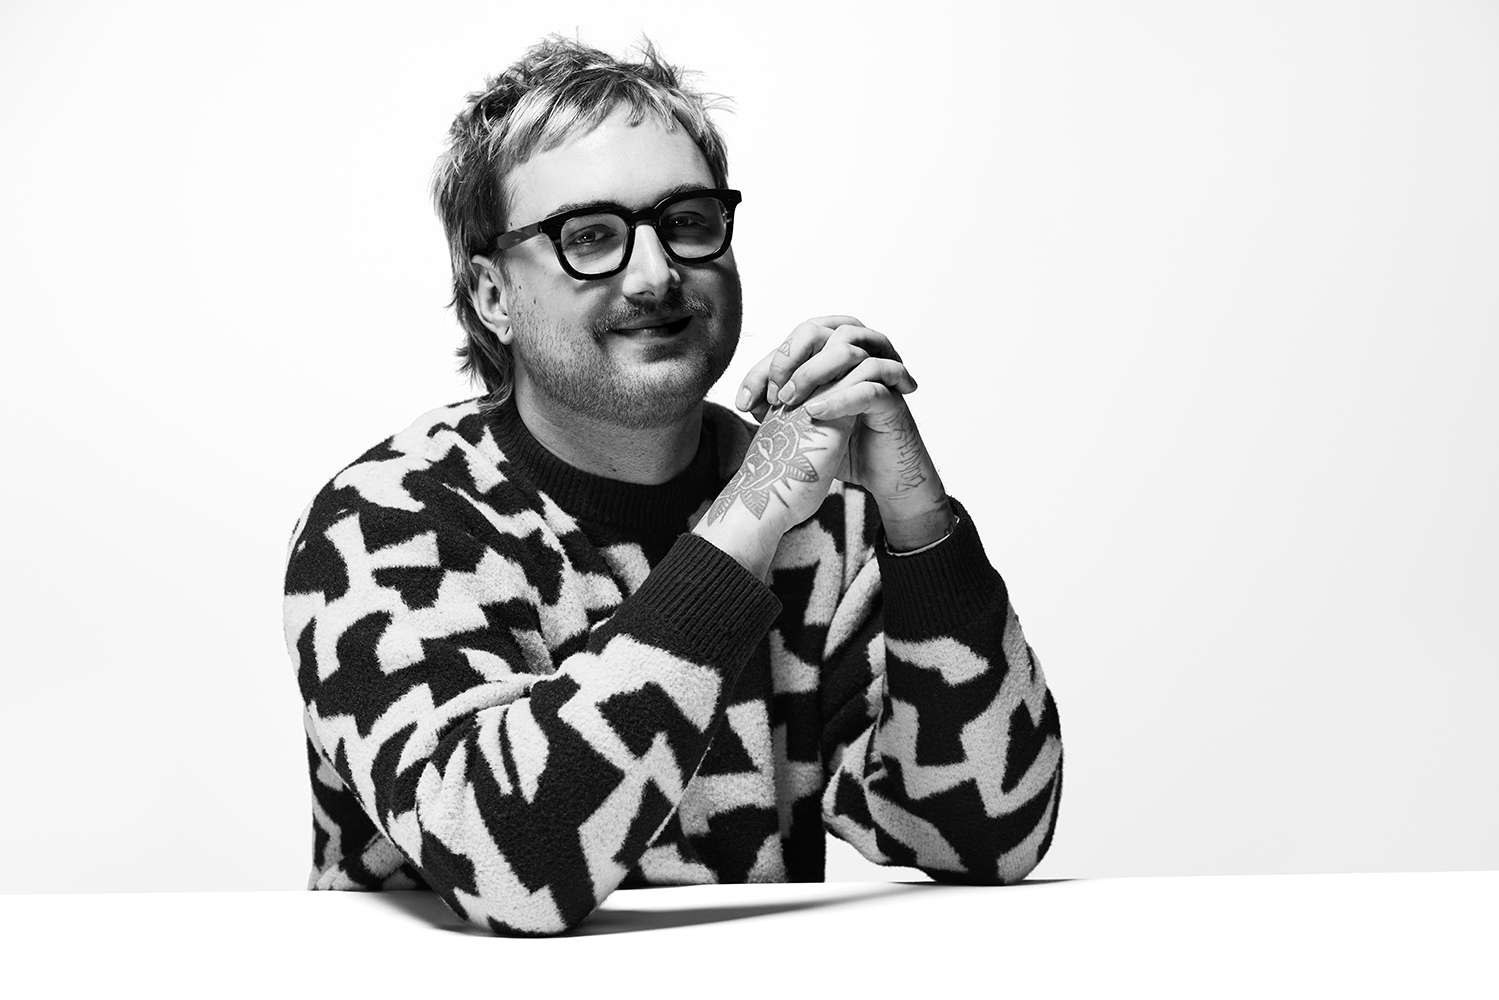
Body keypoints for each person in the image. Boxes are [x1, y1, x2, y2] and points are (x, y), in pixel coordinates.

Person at [282, 35, 1064, 936]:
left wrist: (918, 525)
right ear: (493, 296)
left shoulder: (821, 516)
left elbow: (986, 837)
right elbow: (508, 871)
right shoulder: (385, 523)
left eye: (687, 221)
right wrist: (746, 520)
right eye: (589, 237)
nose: (656, 275)